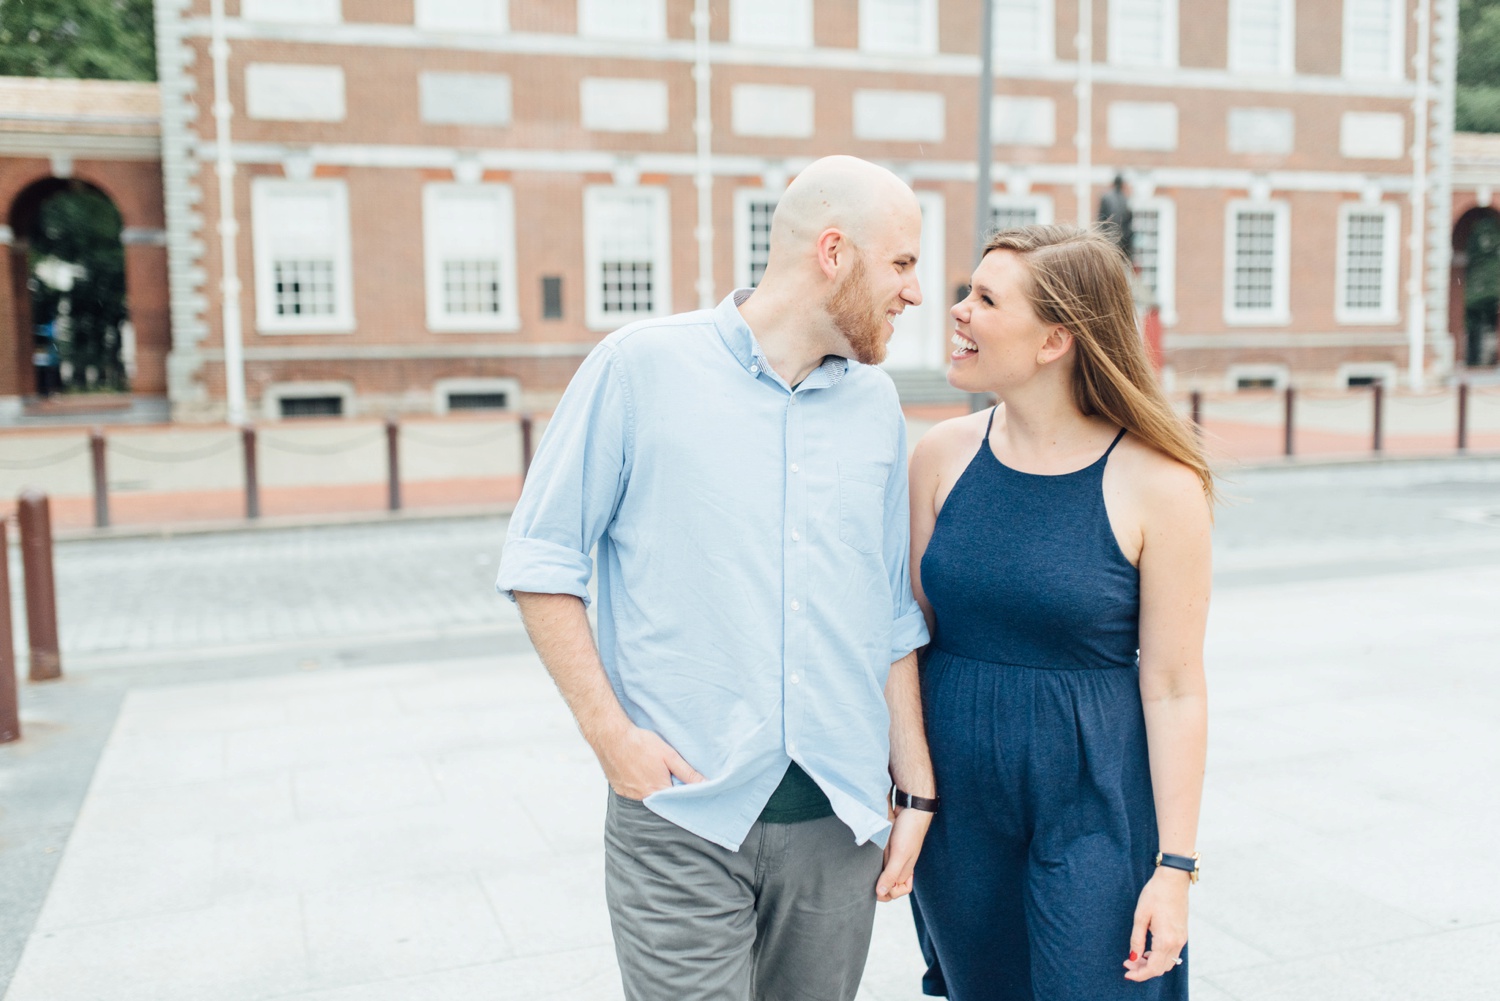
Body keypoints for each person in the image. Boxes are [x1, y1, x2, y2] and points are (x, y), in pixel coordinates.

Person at [495, 155, 937, 1001]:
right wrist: (609, 736)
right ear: (834, 252)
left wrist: (913, 784)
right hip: (682, 819)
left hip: (839, 824)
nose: (915, 292)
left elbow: (888, 609)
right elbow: (543, 559)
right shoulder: (639, 367)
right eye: (904, 263)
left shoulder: (876, 405)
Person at [906, 225, 1213, 1000]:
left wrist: (1175, 868)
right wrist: (910, 791)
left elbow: (1176, 687)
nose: (957, 311)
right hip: (960, 805)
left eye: (984, 298)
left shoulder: (1160, 482)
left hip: (1094, 801)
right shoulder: (940, 456)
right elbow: (906, 635)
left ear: (1055, 340)